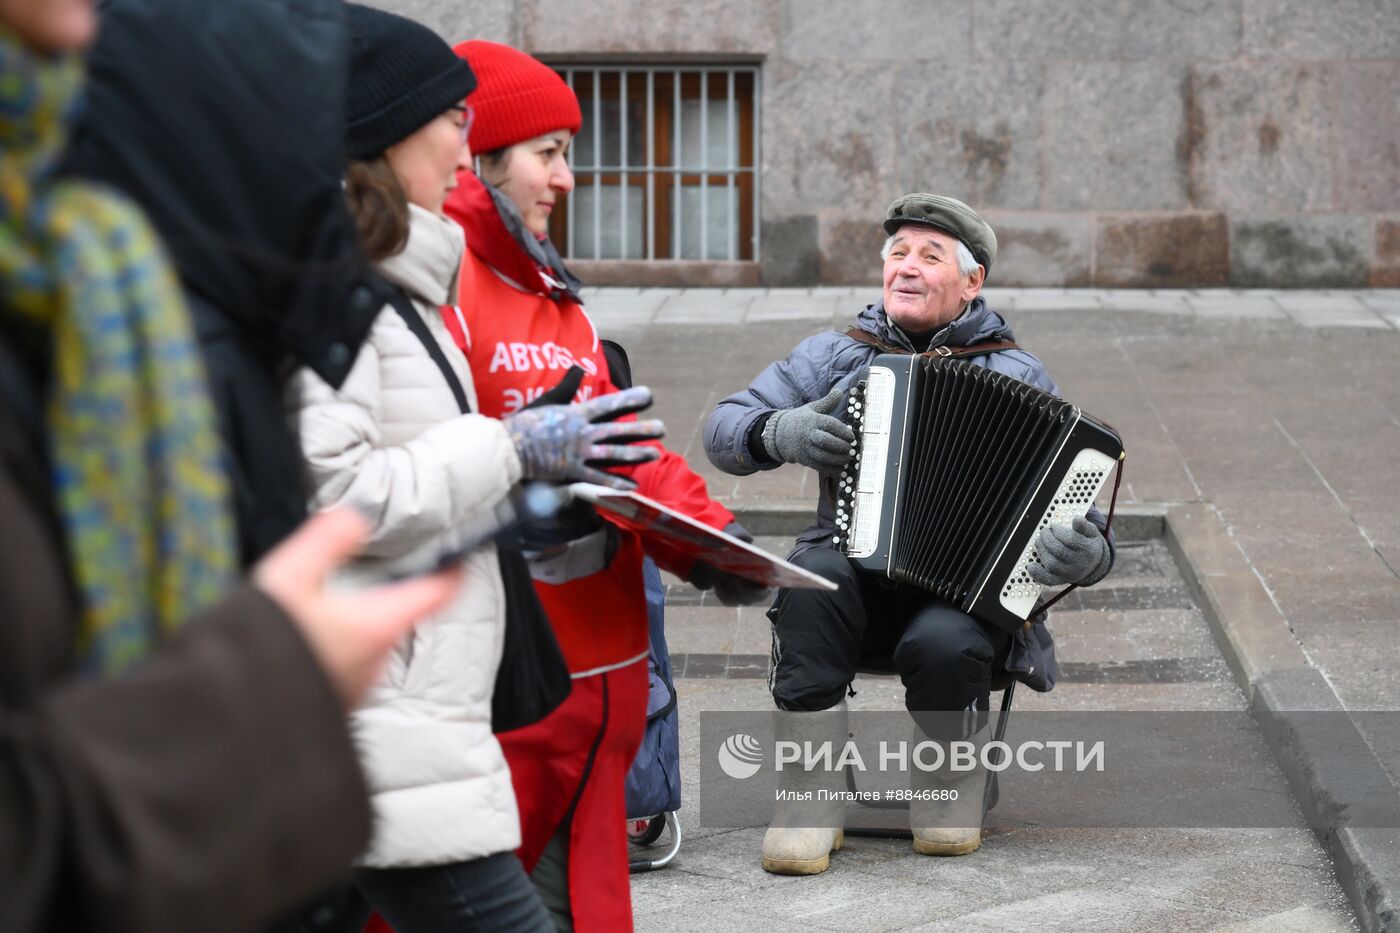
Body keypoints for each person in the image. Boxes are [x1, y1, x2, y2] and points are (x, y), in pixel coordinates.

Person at [0, 1, 463, 930]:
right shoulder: (126, 307)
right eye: (453, 120)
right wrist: (260, 686)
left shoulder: (92, 273)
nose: (466, 148)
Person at [286, 8, 663, 932]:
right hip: (386, 717)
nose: (467, 152)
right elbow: (336, 494)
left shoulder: (400, 282)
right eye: (455, 125)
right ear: (387, 138)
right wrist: (511, 448)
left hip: (415, 711)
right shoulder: (344, 288)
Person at [438, 41, 767, 932]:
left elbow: (624, 449)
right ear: (479, 155)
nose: (568, 178)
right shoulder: (437, 290)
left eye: (568, 153)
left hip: (596, 713)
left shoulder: (560, 299)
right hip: (510, 705)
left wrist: (711, 540)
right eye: (547, 153)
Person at [704, 194, 1116, 874]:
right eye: (897, 253)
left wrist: (1090, 554)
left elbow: (1079, 512)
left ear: (972, 281)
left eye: (930, 256)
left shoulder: (1016, 372)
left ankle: (948, 785)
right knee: (809, 583)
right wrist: (778, 431)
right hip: (849, 584)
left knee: (945, 640)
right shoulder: (834, 354)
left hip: (958, 595)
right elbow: (723, 427)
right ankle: (809, 795)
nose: (907, 267)